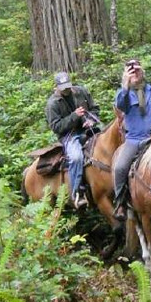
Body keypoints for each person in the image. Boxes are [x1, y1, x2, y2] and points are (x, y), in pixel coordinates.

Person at [112, 58, 151, 219]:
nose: (135, 73)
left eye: (137, 70)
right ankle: (120, 203)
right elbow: (120, 105)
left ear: (143, 71)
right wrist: (125, 84)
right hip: (135, 139)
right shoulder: (123, 94)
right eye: (131, 71)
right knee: (120, 168)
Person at [45, 71, 100, 208]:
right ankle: (77, 193)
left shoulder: (81, 92)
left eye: (68, 86)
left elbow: (94, 109)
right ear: (57, 87)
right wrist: (74, 116)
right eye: (63, 88)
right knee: (76, 158)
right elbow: (56, 127)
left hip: (87, 129)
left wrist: (91, 120)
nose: (67, 90)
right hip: (68, 135)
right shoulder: (52, 104)